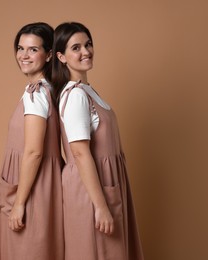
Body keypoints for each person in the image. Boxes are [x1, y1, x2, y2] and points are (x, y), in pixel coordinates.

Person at [52, 22, 144, 260]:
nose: (86, 51)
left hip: (106, 184)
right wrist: (101, 207)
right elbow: (80, 154)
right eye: (76, 48)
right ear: (61, 56)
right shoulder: (76, 97)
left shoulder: (88, 91)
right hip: (91, 191)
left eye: (88, 44)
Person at [0, 22, 64, 260]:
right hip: (43, 186)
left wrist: (19, 203)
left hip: (32, 189)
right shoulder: (48, 89)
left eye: (33, 50)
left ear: (49, 54)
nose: (23, 55)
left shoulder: (36, 95)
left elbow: (33, 152)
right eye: (20, 48)